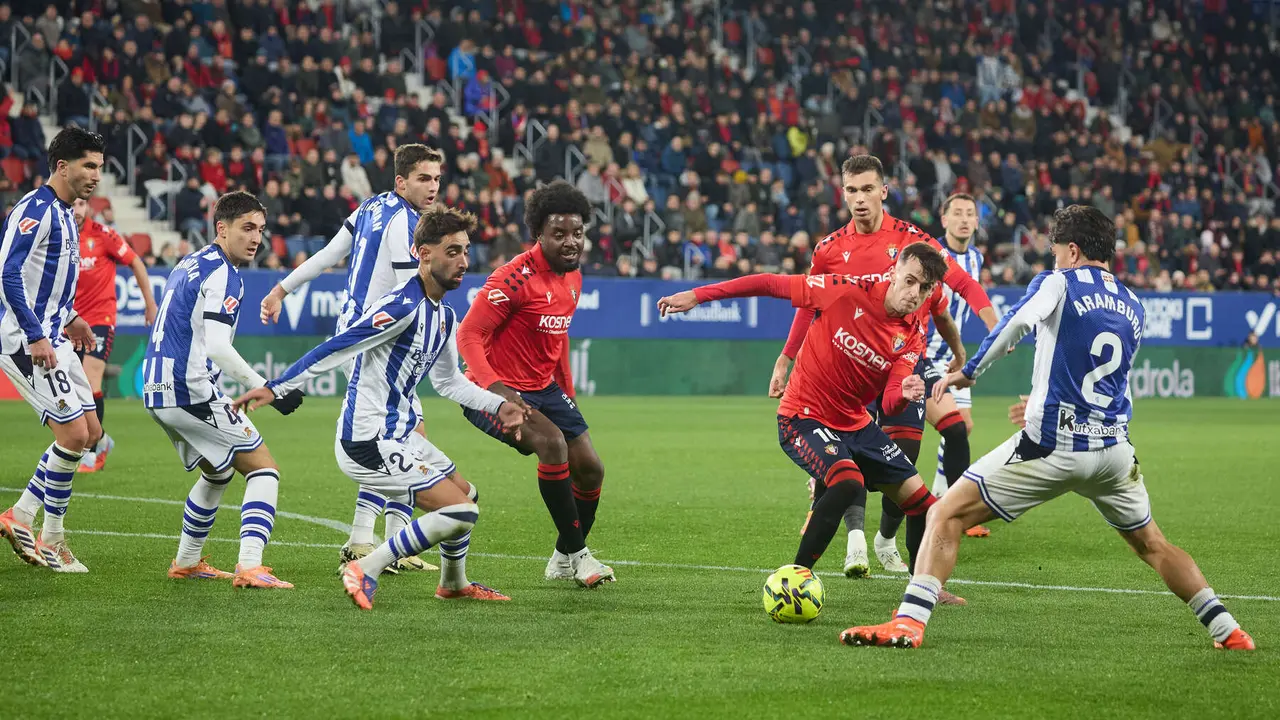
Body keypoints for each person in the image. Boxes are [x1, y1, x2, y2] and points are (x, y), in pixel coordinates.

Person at [841, 206, 1255, 651]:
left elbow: (1015, 324)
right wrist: (1043, 403)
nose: (1054, 258)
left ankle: (908, 623)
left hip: (1053, 445)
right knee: (1153, 544)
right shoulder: (1133, 304)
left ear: (1072, 250)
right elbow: (1116, 386)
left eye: (1057, 250)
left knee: (945, 514)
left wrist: (969, 371)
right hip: (1114, 452)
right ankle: (1228, 630)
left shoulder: (1057, 281)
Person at [235, 206, 528, 610]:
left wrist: (500, 405)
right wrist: (276, 386)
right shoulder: (402, 305)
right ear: (423, 253)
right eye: (452, 251)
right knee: (459, 511)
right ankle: (366, 566)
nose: (463, 261)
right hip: (367, 439)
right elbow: (339, 346)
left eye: (465, 251)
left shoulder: (444, 314)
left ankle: (454, 583)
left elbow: (448, 382)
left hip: (401, 434)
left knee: (467, 498)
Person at [656, 242, 953, 588]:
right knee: (847, 481)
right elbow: (769, 284)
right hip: (803, 416)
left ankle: (925, 589)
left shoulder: (912, 335)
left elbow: (888, 405)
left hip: (856, 423)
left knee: (925, 506)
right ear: (893, 273)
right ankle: (795, 579)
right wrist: (699, 295)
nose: (915, 293)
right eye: (910, 281)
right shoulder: (843, 291)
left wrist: (902, 396)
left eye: (925, 288)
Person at [772, 155, 994, 579]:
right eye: (851, 190)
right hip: (847, 365)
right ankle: (852, 541)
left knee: (904, 454)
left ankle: (886, 541)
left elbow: (957, 287)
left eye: (867, 189)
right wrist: (786, 357)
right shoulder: (830, 249)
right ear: (843, 192)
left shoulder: (911, 240)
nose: (859, 199)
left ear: (884, 191)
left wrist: (990, 327)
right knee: (846, 459)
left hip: (902, 359)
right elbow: (806, 304)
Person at [260, 144, 445, 574]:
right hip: (377, 341)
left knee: (395, 433)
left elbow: (328, 255)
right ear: (401, 182)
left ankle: (372, 539)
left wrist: (282, 288)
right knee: (402, 432)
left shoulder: (370, 208)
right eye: (423, 178)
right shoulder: (405, 223)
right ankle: (381, 541)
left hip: (357, 333)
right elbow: (410, 291)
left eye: (436, 178)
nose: (432, 187)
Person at [457, 180, 614, 588]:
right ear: (538, 235)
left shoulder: (573, 277)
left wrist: (570, 401)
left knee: (591, 469)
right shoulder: (512, 279)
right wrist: (496, 391)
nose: (570, 241)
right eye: (559, 233)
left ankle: (562, 557)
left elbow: (557, 341)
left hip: (544, 388)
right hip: (490, 389)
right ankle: (581, 557)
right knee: (552, 444)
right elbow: (468, 335)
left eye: (577, 233)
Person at [144, 192, 299, 589]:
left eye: (261, 230)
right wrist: (267, 388)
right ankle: (250, 566)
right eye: (248, 228)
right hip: (187, 388)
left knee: (217, 470)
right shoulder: (225, 273)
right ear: (222, 228)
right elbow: (216, 346)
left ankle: (187, 561)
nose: (256, 239)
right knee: (263, 467)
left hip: (156, 387)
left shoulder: (190, 263)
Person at [0, 127, 105, 572]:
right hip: (27, 343)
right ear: (62, 166)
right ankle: (52, 540)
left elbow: (46, 283)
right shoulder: (36, 210)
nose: (96, 175)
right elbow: (7, 274)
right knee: (74, 436)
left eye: (100, 167)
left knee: (92, 432)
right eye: (89, 165)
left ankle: (20, 515)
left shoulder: (66, 213)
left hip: (55, 337)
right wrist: (36, 333)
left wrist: (71, 317)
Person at [71, 197, 159, 472]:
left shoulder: (103, 235)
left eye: (81, 205)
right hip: (70, 321)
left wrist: (150, 303)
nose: (76, 210)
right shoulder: (60, 235)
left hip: (100, 319)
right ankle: (102, 438)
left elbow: (136, 263)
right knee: (73, 386)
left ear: (89, 208)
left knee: (89, 379)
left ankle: (92, 449)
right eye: (71, 205)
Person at [922, 193, 991, 537]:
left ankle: (943, 498)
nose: (964, 219)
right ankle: (821, 501)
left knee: (962, 427)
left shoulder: (976, 259)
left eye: (970, 214)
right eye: (957, 213)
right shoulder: (930, 254)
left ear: (977, 222)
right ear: (944, 219)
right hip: (920, 354)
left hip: (951, 356)